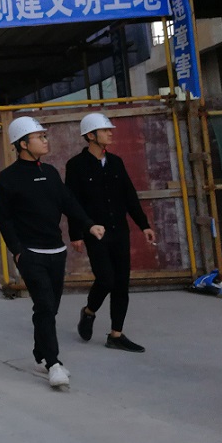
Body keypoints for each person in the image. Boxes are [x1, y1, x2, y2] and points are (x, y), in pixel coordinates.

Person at [0, 116, 105, 389]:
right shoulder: (7, 179)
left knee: (49, 308)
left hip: (56, 251)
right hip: (31, 254)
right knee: (44, 306)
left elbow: (68, 202)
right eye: (39, 137)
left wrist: (89, 225)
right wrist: (17, 251)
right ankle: (53, 363)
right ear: (23, 144)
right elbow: (4, 220)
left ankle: (40, 354)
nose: (45, 140)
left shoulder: (51, 173)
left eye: (45, 136)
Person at [65, 113, 157, 353]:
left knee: (121, 283)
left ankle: (116, 334)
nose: (110, 133)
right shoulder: (76, 165)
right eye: (105, 130)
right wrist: (76, 234)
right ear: (90, 136)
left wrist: (144, 225)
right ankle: (89, 312)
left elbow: (129, 196)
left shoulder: (116, 162)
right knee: (106, 279)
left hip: (120, 231)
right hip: (95, 233)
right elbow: (72, 202)